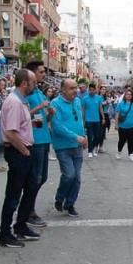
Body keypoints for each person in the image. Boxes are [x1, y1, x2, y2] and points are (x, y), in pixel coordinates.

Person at [0, 69, 41, 247]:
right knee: (14, 194)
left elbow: (19, 125)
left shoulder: (21, 101)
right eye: (33, 82)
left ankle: (21, 225)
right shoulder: (15, 102)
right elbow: (10, 131)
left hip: (24, 150)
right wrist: (24, 151)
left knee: (31, 188)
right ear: (24, 83)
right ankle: (5, 233)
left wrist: (30, 124)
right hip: (18, 152)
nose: (35, 85)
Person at [50, 78, 87, 217]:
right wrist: (76, 137)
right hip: (63, 146)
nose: (75, 90)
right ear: (63, 90)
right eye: (72, 88)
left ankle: (70, 203)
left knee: (76, 177)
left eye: (76, 87)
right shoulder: (55, 103)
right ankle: (60, 198)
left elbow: (79, 121)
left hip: (77, 145)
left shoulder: (77, 101)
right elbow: (57, 126)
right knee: (69, 175)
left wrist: (84, 136)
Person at [22, 61, 52, 229]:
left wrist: (50, 114)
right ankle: (28, 211)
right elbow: (22, 115)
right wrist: (40, 107)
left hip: (44, 138)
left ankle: (28, 207)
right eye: (41, 71)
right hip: (34, 141)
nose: (43, 74)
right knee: (35, 178)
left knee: (42, 177)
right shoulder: (26, 94)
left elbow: (42, 118)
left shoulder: (39, 92)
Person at [81, 81, 104, 158]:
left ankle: (93, 148)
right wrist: (83, 121)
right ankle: (90, 151)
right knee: (90, 136)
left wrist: (103, 118)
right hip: (88, 121)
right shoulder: (84, 98)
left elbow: (100, 108)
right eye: (90, 90)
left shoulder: (98, 98)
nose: (91, 91)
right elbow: (83, 110)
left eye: (92, 90)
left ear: (95, 90)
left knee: (98, 136)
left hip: (97, 120)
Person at [115, 88, 133, 160]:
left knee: (131, 141)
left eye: (130, 94)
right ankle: (119, 152)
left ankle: (130, 154)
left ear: (132, 96)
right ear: (125, 95)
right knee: (121, 141)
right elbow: (117, 115)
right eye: (127, 94)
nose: (129, 96)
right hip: (122, 126)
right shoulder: (121, 104)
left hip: (132, 125)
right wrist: (116, 124)